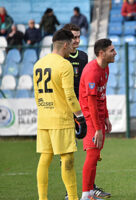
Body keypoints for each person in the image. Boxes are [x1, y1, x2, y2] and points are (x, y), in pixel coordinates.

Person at [33, 29, 87, 200]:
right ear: (65, 45)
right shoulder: (65, 64)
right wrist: (80, 117)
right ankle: (73, 197)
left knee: (45, 158)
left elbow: (36, 95)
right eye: (71, 43)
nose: (73, 46)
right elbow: (70, 96)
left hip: (43, 119)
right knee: (68, 159)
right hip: (61, 119)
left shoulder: (38, 64)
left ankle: (42, 198)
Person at [79, 38, 116, 200]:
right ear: (102, 53)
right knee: (92, 155)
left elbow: (102, 95)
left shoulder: (105, 68)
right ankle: (85, 195)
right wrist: (98, 129)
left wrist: (106, 117)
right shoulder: (92, 72)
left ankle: (90, 193)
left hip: (99, 118)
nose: (115, 53)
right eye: (112, 50)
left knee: (95, 157)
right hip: (90, 119)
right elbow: (91, 103)